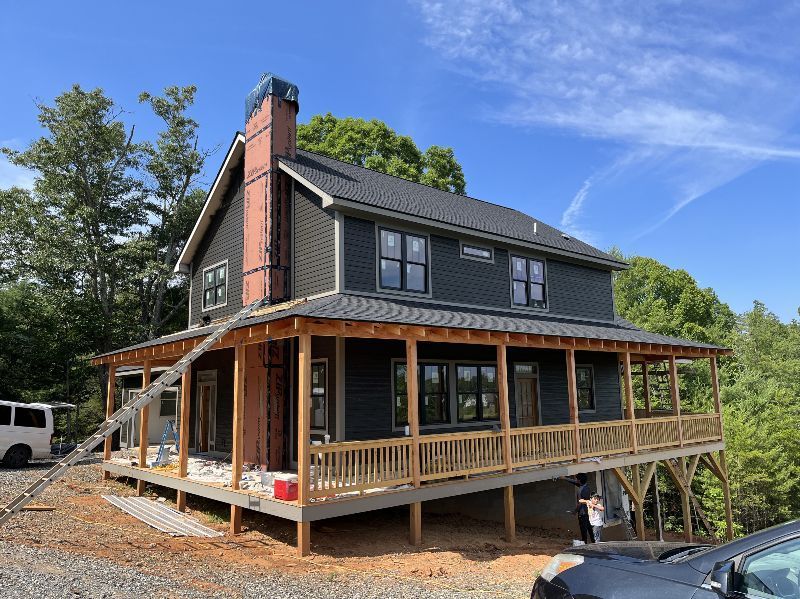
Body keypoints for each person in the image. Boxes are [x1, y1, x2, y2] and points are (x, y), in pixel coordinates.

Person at [562, 473, 593, 543]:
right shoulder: (586, 487)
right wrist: (564, 478)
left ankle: (585, 545)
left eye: (576, 479)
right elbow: (575, 482)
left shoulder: (581, 490)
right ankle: (594, 542)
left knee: (584, 530)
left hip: (582, 513)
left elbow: (580, 504)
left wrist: (574, 512)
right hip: (587, 512)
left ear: (579, 480)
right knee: (589, 529)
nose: (575, 480)